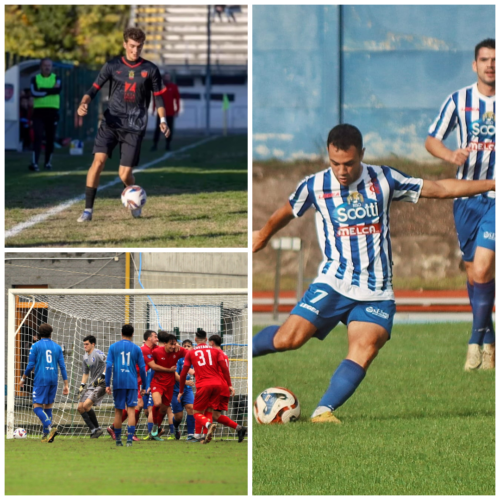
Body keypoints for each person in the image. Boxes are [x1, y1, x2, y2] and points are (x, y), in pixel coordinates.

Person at [252, 123, 495, 424]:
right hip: (334, 282)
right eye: (335, 163)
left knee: (365, 348)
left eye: (349, 163)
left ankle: (322, 412)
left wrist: (492, 184)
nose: (341, 170)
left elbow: (441, 189)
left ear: (362, 154)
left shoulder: (384, 179)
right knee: (288, 340)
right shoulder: (315, 185)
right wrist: (262, 236)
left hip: (376, 290)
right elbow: (286, 212)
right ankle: (240, 354)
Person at [425, 38, 496, 371]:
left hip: (496, 196)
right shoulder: (459, 100)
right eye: (485, 60)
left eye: (495, 59)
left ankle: (474, 343)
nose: (490, 65)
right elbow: (431, 139)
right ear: (475, 65)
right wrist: (449, 154)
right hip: (465, 197)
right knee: (473, 272)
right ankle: (490, 341)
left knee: (483, 267)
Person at [76, 27, 170, 223]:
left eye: (139, 46)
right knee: (98, 162)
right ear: (125, 44)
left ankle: (135, 200)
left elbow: (158, 99)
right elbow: (93, 89)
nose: (136, 50)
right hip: (111, 123)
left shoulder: (150, 70)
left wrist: (162, 120)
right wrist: (83, 104)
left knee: (124, 174)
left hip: (134, 126)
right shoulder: (112, 66)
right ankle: (87, 211)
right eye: (133, 46)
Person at [178, 329, 233, 445]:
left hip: (203, 385)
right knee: (209, 409)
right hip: (217, 385)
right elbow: (225, 369)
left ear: (196, 339)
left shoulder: (191, 353)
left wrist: (181, 390)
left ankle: (208, 425)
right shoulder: (215, 351)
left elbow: (183, 374)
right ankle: (203, 435)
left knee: (196, 411)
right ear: (207, 339)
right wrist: (230, 385)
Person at [19, 323, 69, 442]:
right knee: (48, 408)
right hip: (53, 379)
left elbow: (31, 364)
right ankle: (46, 436)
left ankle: (49, 427)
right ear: (51, 333)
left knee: (37, 407)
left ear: (39, 334)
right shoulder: (57, 347)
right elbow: (62, 367)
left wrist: (23, 378)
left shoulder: (35, 346)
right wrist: (66, 384)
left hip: (41, 379)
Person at [105, 324, 147, 447]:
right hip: (132, 383)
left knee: (118, 411)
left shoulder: (113, 347)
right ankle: (129, 439)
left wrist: (107, 383)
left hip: (118, 382)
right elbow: (143, 369)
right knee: (131, 411)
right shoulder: (137, 349)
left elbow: (108, 366)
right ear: (133, 334)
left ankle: (118, 440)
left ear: (121, 333)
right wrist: (144, 385)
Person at [208, 334, 247, 442]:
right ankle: (239, 428)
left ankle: (201, 434)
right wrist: (230, 385)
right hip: (224, 386)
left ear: (211, 343)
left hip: (216, 386)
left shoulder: (214, 354)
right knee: (216, 415)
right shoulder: (224, 355)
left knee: (203, 409)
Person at [147, 332, 185, 438]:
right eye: (170, 344)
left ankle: (156, 429)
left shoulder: (178, 351)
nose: (173, 347)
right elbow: (150, 363)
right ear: (165, 344)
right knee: (157, 403)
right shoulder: (156, 352)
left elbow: (191, 354)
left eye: (174, 344)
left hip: (170, 384)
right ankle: (155, 425)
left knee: (163, 410)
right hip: (157, 382)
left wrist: (180, 347)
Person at [29, 58, 61, 172]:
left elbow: (57, 90)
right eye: (45, 65)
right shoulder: (35, 79)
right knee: (37, 137)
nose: (47, 67)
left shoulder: (56, 78)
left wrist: (42, 90)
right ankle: (34, 163)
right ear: (41, 67)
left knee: (50, 138)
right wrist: (49, 91)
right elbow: (34, 92)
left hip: (52, 112)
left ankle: (47, 162)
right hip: (38, 112)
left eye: (49, 65)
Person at [77, 335, 106, 438]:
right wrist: (81, 386)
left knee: (86, 406)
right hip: (92, 384)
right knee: (80, 407)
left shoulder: (98, 353)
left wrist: (103, 375)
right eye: (84, 344)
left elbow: (108, 363)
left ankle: (97, 429)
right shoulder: (85, 357)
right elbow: (85, 374)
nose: (85, 346)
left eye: (87, 344)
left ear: (93, 344)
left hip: (102, 384)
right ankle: (94, 430)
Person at [170, 339, 196, 441]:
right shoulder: (178, 359)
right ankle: (176, 427)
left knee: (191, 408)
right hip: (175, 390)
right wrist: (184, 382)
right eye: (184, 346)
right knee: (179, 416)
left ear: (192, 348)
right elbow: (175, 374)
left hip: (187, 390)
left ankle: (190, 434)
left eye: (188, 346)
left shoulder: (194, 360)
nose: (186, 347)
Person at [151, 72, 180, 151]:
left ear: (170, 78)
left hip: (170, 112)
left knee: (169, 129)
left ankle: (168, 144)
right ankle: (155, 145)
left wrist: (177, 109)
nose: (167, 78)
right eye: (166, 77)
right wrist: (153, 109)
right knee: (158, 128)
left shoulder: (173, 87)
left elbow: (177, 99)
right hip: (161, 113)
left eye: (168, 77)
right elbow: (155, 98)